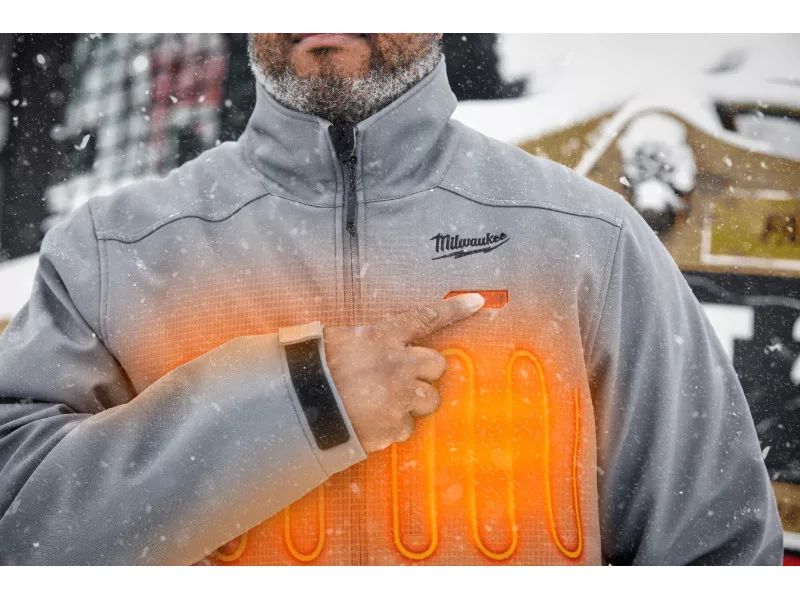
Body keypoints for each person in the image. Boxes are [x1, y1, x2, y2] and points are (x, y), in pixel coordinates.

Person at [0, 33, 782, 565]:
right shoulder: (118, 252)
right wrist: (304, 402)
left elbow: (715, 550)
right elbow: (18, 532)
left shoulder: (587, 240)